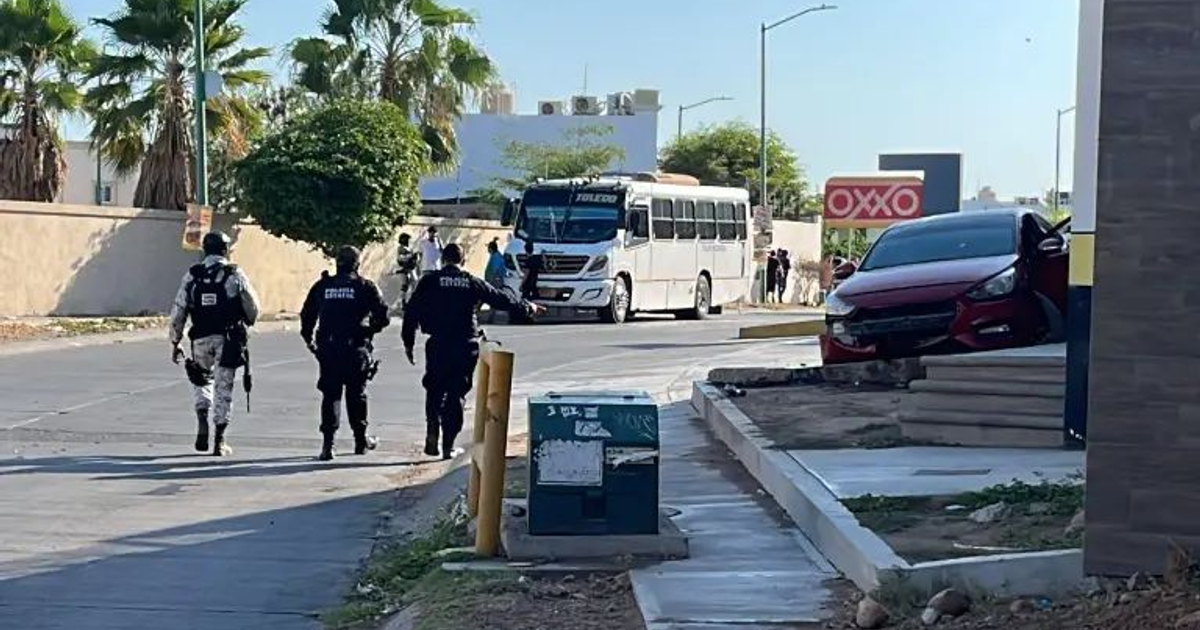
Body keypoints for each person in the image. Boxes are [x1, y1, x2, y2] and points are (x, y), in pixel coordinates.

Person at [402, 243, 543, 460]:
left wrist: (408, 342)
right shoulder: (470, 281)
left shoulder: (429, 281)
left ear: (443, 258)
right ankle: (447, 446)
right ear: (462, 259)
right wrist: (527, 307)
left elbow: (411, 311)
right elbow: (500, 299)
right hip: (464, 345)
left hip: (438, 344)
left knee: (434, 389)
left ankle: (432, 429)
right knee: (456, 393)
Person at [169, 231, 260, 457]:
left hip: (200, 337)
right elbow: (252, 307)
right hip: (227, 339)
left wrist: (175, 340)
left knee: (201, 380)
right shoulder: (234, 273)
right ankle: (219, 440)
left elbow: (179, 308)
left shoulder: (193, 275)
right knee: (223, 387)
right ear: (224, 250)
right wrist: (248, 320)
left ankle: (202, 414)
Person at [300, 246, 391, 461]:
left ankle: (327, 446)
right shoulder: (365, 287)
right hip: (355, 348)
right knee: (356, 394)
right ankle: (360, 441)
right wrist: (370, 330)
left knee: (331, 395)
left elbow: (307, 315)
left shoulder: (323, 286)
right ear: (357, 264)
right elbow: (383, 316)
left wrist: (309, 340)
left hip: (329, 349)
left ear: (337, 263)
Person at [394, 233, 420, 313]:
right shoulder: (401, 248)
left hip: (411, 269)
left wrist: (416, 258)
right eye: (407, 239)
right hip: (404, 269)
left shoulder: (409, 249)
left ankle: (412, 302)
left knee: (414, 285)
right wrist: (411, 256)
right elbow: (401, 258)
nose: (408, 241)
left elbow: (415, 260)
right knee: (405, 286)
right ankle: (402, 303)